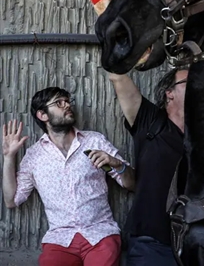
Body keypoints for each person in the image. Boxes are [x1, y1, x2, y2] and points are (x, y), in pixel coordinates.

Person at [2, 88, 134, 266]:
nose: (67, 105)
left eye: (67, 101)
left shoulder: (95, 141)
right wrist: (9, 157)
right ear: (43, 115)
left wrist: (117, 164)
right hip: (60, 240)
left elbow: (131, 184)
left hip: (100, 234)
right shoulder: (34, 156)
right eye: (59, 103)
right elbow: (12, 201)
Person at [107, 67, 187, 266]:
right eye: (189, 81)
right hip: (151, 244)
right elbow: (117, 74)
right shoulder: (151, 122)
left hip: (197, 243)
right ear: (170, 93)